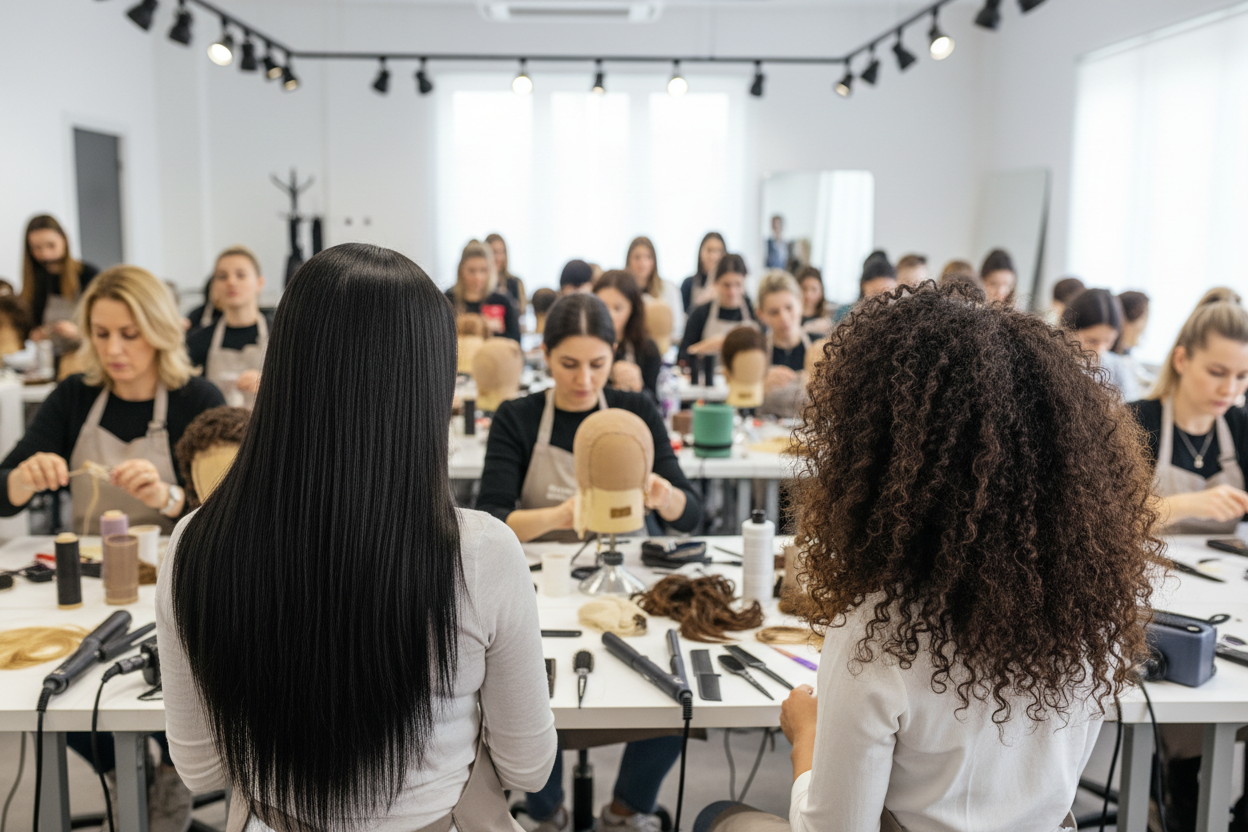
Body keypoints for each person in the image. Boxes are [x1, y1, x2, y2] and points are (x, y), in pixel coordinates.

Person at [696, 282, 1157, 832]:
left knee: (718, 817)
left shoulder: (879, 630)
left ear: (878, 459)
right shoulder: (1092, 608)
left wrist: (807, 742)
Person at [156, 243, 556, 831]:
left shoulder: (197, 543)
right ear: (429, 387)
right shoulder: (482, 553)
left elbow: (202, 773)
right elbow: (528, 768)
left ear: (283, 371)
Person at [0, 264, 224, 830]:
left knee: (174, 682)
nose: (115, 349)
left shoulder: (195, 396)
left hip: (175, 577)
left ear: (158, 329)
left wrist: (174, 496)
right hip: (91, 582)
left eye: (130, 334)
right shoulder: (76, 395)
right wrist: (22, 481)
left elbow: (233, 507)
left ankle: (174, 771)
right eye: (101, 334)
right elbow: (3, 490)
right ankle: (132, 774)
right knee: (61, 689)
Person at [476, 292, 701, 832]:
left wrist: (661, 495)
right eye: (568, 365)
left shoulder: (636, 413)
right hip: (536, 591)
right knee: (527, 694)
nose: (583, 380)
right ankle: (545, 810)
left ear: (614, 354)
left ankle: (625, 811)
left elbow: (690, 515)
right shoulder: (519, 417)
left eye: (597, 365)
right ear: (546, 356)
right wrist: (562, 513)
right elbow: (489, 518)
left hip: (628, 588)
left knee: (675, 692)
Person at [1127, 289, 1248, 535]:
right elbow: (1103, 523)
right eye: (1217, 372)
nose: (1229, 389)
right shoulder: (1134, 422)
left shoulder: (1241, 427)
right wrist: (1184, 505)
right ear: (1181, 360)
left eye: (1242, 376)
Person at [185, 246, 270, 408]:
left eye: (241, 275)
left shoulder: (281, 334)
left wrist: (271, 385)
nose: (231, 282)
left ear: (259, 283)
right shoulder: (198, 340)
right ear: (214, 286)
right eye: (222, 277)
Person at [20, 214, 99, 344]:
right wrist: (36, 334)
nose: (45, 254)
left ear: (64, 239)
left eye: (51, 245)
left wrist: (78, 333)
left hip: (83, 352)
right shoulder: (36, 280)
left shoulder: (88, 275)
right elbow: (31, 325)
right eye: (37, 248)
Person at [594, 270, 662, 401]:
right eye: (603, 306)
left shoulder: (646, 348)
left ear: (632, 310)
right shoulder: (583, 345)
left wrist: (639, 387)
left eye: (618, 308)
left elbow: (655, 405)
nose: (610, 315)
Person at [1061, 288, 1138, 402]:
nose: (1099, 350)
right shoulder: (1057, 366)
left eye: (1108, 341)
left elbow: (1131, 406)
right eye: (1092, 341)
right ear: (1069, 331)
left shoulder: (1118, 367)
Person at [678, 254, 756, 366]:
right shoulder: (700, 313)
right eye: (726, 285)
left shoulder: (753, 312)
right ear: (717, 282)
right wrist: (705, 347)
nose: (732, 292)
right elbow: (682, 356)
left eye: (738, 285)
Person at [756, 270, 811, 418]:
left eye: (789, 308)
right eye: (774, 312)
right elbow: (740, 405)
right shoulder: (756, 351)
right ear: (761, 315)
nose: (784, 317)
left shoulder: (819, 347)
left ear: (800, 303)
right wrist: (760, 387)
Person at [447, 239, 521, 341]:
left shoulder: (502, 300)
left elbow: (515, 342)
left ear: (490, 271)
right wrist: (483, 324)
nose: (477, 277)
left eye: (483, 271)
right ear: (461, 270)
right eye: (471, 271)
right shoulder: (448, 299)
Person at [626, 236, 684, 341]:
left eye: (648, 257)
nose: (643, 263)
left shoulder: (669, 288)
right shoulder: (623, 289)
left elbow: (677, 327)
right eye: (637, 257)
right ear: (629, 260)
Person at [680, 232, 726, 314]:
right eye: (709, 250)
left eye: (719, 251)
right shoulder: (688, 284)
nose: (714, 256)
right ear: (701, 252)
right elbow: (681, 316)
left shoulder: (730, 286)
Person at [486, 232, 527, 316]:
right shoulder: (480, 284)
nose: (498, 258)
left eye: (501, 252)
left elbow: (521, 311)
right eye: (494, 252)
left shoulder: (515, 282)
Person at [796, 266, 833, 337]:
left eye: (814, 289)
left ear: (821, 292)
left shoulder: (826, 323)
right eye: (804, 289)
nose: (808, 295)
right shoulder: (790, 317)